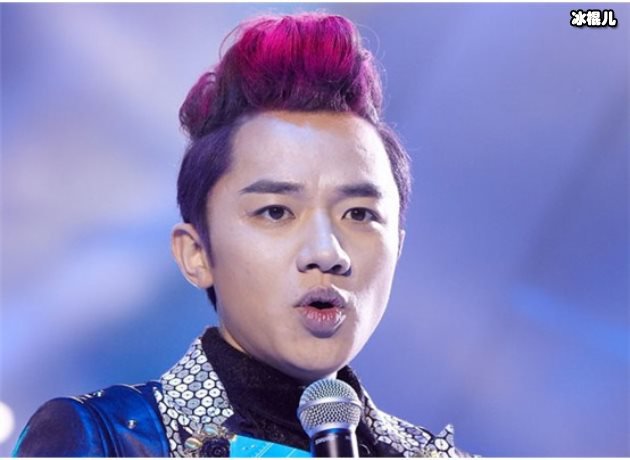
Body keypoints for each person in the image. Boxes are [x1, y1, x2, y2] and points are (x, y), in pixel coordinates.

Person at [13, 12, 471, 458]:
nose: (327, 252)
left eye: (358, 213)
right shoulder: (110, 439)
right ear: (195, 254)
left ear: (398, 247)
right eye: (276, 211)